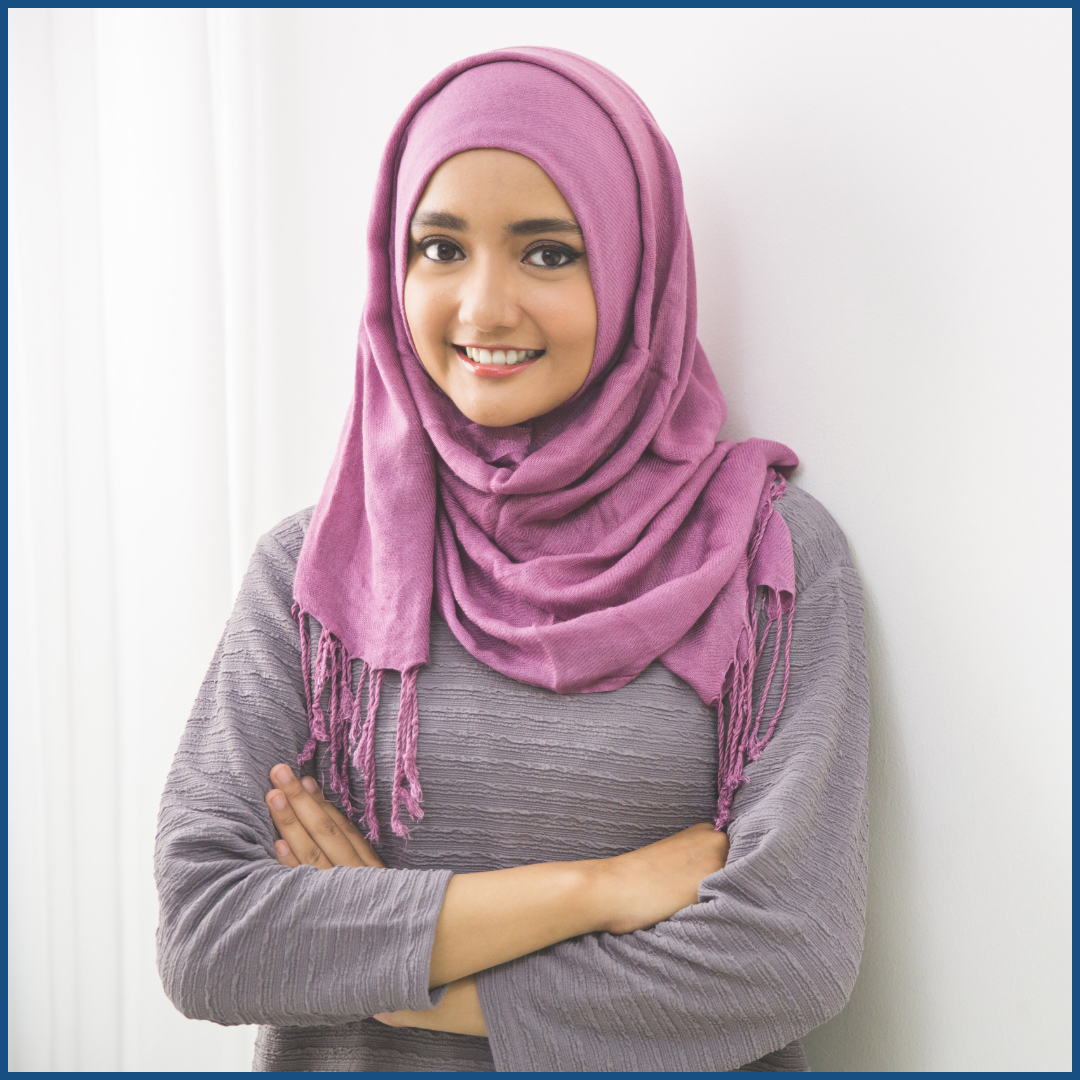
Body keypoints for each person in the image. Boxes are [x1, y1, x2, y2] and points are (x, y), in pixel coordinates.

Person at [155, 46, 869, 1072]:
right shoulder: (317, 574)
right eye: (439, 248)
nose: (484, 307)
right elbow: (209, 932)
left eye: (547, 253)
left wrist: (405, 985)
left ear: (636, 267)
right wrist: (602, 890)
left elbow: (786, 955)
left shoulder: (768, 559)